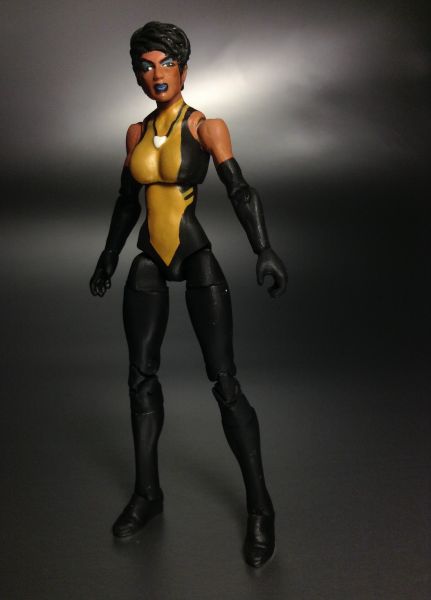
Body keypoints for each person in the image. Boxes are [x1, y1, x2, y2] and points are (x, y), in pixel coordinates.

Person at [90, 21, 287, 568]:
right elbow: (127, 200)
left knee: (224, 381)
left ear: (183, 68)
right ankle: (147, 493)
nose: (157, 74)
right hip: (148, 259)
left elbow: (239, 188)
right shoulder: (134, 133)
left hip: (196, 256)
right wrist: (109, 253)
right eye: (146, 66)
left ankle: (261, 506)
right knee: (140, 377)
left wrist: (263, 248)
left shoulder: (206, 127)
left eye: (166, 63)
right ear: (137, 75)